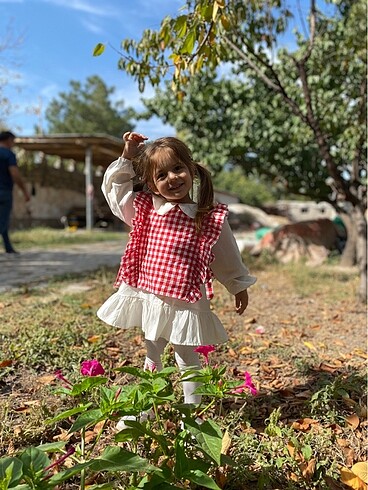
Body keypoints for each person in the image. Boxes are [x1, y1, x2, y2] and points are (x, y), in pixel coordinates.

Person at [97, 131, 256, 411]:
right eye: (161, 175)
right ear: (151, 184)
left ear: (190, 170)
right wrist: (128, 154)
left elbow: (226, 253)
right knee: (152, 351)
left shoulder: (206, 217)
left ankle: (191, 412)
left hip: (187, 300)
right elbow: (116, 191)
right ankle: (146, 408)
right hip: (152, 297)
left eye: (177, 168)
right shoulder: (145, 210)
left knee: (187, 355)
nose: (172, 178)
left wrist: (237, 283)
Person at [0, 131, 30, 254]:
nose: (13, 144)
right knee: (3, 220)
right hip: (4, 192)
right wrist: (24, 191)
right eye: (12, 141)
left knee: (3, 220)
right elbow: (14, 174)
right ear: (8, 140)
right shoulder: (8, 154)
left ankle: (8, 246)